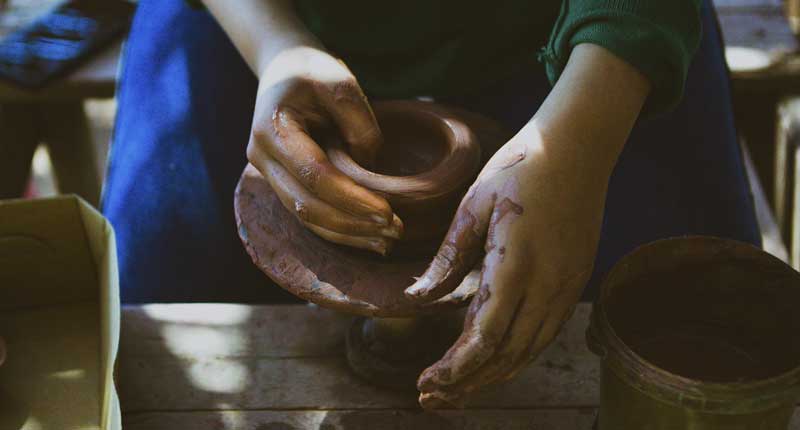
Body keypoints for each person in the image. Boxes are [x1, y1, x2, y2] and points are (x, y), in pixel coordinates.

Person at [103, 0, 760, 405]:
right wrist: (276, 46)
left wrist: (581, 144)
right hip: (259, 20)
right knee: (141, 326)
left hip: (586, 27)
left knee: (704, 327)